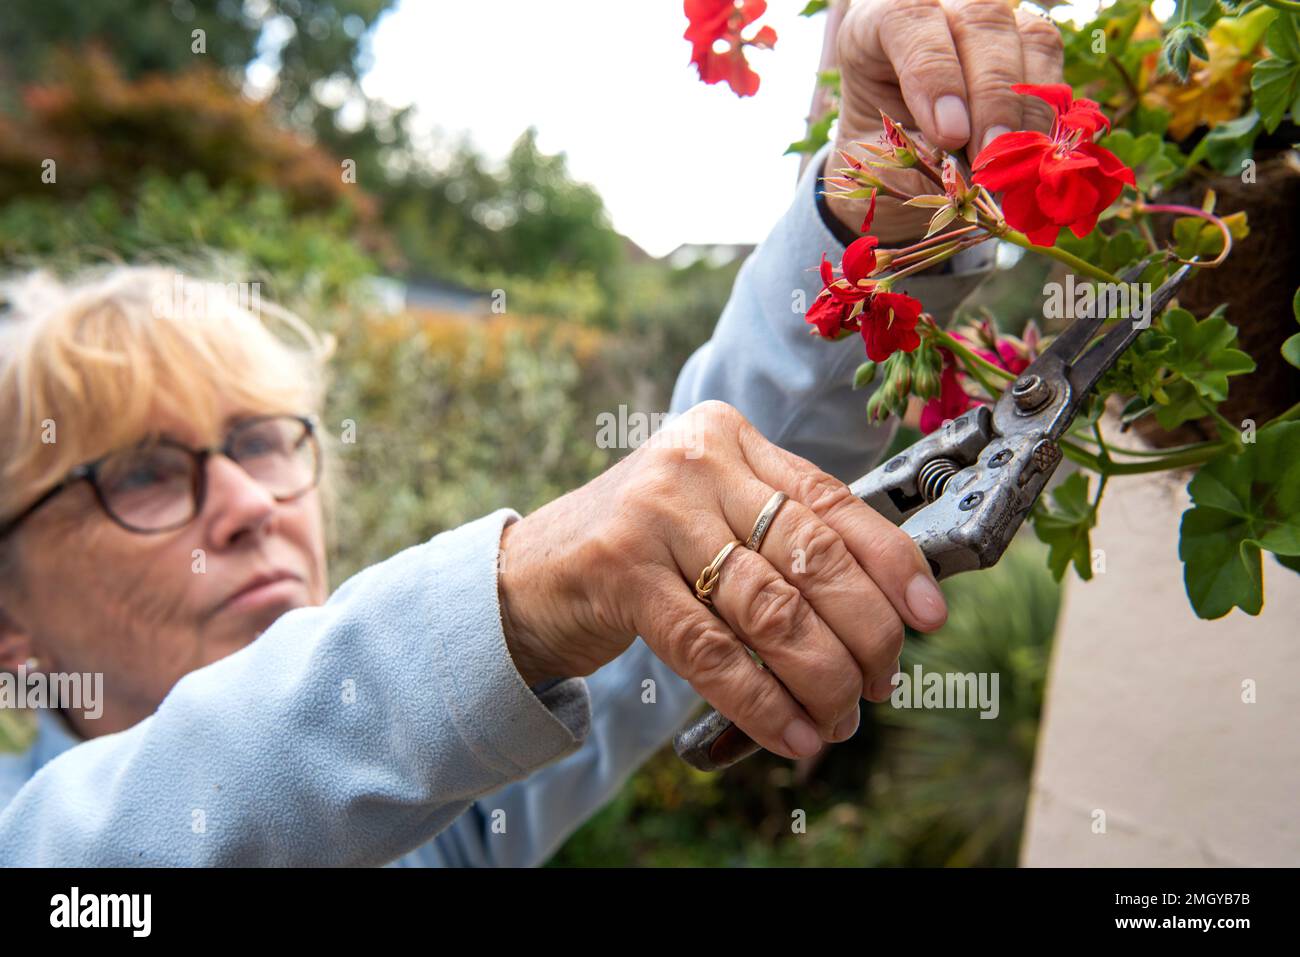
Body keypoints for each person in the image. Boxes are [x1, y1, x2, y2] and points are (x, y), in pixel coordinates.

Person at [0, 0, 1064, 865]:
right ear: (12, 624)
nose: (244, 507)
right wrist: (525, 594)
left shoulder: (442, 817)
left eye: (260, 441)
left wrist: (874, 210)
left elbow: (733, 461)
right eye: (141, 474)